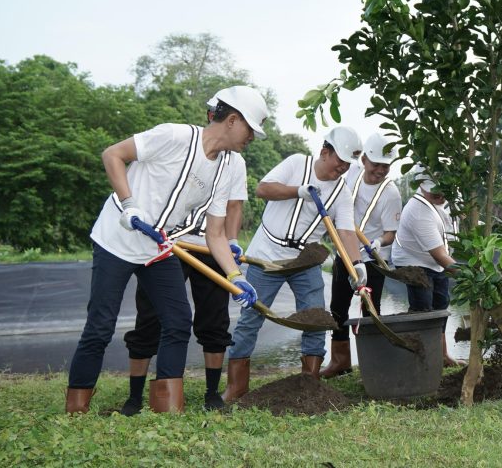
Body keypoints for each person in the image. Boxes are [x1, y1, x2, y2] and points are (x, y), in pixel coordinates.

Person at [65, 85, 268, 414]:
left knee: (177, 320)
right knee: (101, 325)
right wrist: (129, 204)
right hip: (117, 237)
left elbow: (215, 234)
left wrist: (235, 276)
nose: (252, 138)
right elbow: (112, 155)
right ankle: (76, 407)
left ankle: (167, 408)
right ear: (232, 120)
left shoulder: (229, 167)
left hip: (157, 246)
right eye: (250, 129)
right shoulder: (175, 136)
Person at [119, 93, 249, 414]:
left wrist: (232, 244)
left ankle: (211, 394)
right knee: (151, 316)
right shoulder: (182, 143)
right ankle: (136, 397)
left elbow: (234, 206)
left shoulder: (235, 162)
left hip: (210, 247)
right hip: (168, 243)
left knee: (215, 321)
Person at [222, 126, 365, 401]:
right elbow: (262, 189)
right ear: (325, 152)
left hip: (305, 260)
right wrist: (298, 191)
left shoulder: (342, 192)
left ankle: (310, 384)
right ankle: (236, 387)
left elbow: (345, 232)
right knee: (251, 317)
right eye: (339, 162)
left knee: (316, 319)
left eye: (347, 165)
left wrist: (358, 264)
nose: (342, 169)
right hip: (267, 255)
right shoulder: (297, 164)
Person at [320, 132, 402, 378]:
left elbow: (391, 233)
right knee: (338, 308)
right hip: (344, 253)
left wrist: (376, 243)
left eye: (385, 166)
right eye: (376, 164)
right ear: (364, 159)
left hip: (372, 259)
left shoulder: (392, 194)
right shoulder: (352, 173)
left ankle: (374, 361)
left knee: (370, 309)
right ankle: (340, 361)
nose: (380, 170)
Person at [390, 165, 462, 367]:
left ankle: (442, 355)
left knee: (441, 305)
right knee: (423, 309)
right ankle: (423, 359)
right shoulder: (418, 211)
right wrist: (471, 279)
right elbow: (439, 255)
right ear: (422, 186)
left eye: (443, 191)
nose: (440, 195)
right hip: (413, 262)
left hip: (437, 261)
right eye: (435, 192)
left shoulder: (449, 201)